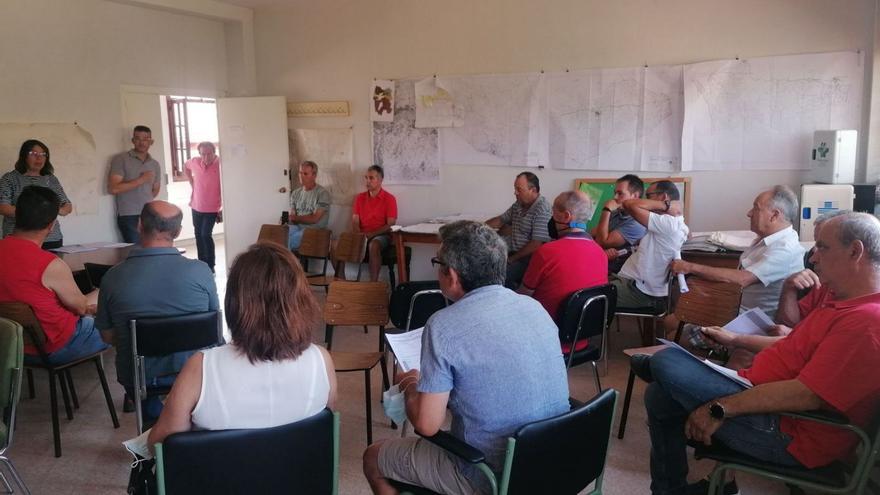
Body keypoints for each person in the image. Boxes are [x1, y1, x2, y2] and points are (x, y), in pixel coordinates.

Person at [637, 212, 880, 495]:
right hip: (765, 398)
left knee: (667, 362)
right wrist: (735, 339)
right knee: (661, 393)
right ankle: (672, 490)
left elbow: (807, 395)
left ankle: (659, 369)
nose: (813, 258)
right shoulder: (839, 300)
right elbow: (792, 347)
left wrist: (719, 409)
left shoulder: (867, 322)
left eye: (822, 247)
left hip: (789, 432)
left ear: (855, 251)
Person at [363, 221, 570, 495]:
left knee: (374, 457)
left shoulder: (443, 325)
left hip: (492, 474)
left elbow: (427, 424)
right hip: (555, 459)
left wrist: (409, 384)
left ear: (451, 274)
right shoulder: (535, 308)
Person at [148, 242, 337, 448]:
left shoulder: (201, 368)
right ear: (301, 301)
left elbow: (159, 444)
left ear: (234, 302)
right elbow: (326, 428)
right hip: (297, 478)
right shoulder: (321, 360)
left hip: (218, 479)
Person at [96, 201, 218, 419]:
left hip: (140, 376)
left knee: (152, 412)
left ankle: (153, 430)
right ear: (178, 231)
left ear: (139, 225)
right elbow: (213, 329)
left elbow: (107, 336)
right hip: (196, 374)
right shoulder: (201, 272)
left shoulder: (113, 277)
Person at [694, 211, 844, 369]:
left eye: (822, 247)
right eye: (815, 245)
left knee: (742, 354)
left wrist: (736, 339)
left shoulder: (786, 249)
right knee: (676, 336)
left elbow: (810, 346)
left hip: (795, 355)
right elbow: (789, 324)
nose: (813, 256)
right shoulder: (825, 284)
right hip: (775, 335)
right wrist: (789, 288)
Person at [0, 186, 107, 364]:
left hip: (9, 347)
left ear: (17, 216)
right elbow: (81, 308)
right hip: (52, 348)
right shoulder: (50, 264)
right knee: (123, 321)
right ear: (51, 225)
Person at [670, 186, 803, 320]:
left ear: (774, 215)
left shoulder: (785, 249)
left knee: (674, 326)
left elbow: (742, 279)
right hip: (734, 307)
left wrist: (690, 267)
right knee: (671, 320)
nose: (749, 213)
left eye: (756, 208)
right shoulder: (766, 239)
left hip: (751, 322)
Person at [519, 190, 608, 323]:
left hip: (546, 332)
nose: (551, 219)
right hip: (582, 332)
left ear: (566, 216)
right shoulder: (601, 253)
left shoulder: (546, 252)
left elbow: (524, 295)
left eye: (553, 213)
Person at [610, 180, 689, 310]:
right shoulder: (670, 223)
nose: (644, 201)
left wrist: (666, 205)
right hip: (632, 283)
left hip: (639, 291)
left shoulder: (668, 223)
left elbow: (629, 204)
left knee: (586, 297)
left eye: (648, 196)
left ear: (663, 197)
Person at [0, 139, 73, 250]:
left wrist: (51, 210)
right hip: (18, 239)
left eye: (43, 154)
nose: (39, 158)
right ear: (24, 156)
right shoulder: (10, 178)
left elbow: (67, 206)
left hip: (50, 239)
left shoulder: (51, 179)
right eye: (33, 154)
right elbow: (3, 207)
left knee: (53, 267)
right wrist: (39, 211)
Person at [486, 172, 552, 288]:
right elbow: (501, 220)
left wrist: (511, 259)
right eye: (515, 188)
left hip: (526, 259)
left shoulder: (542, 209)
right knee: (480, 261)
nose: (515, 193)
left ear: (533, 190)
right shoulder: (519, 204)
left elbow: (537, 244)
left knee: (494, 276)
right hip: (511, 250)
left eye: (519, 189)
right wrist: (480, 228)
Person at [341, 165, 397, 281]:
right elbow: (355, 221)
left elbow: (390, 225)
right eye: (366, 178)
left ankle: (373, 284)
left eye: (371, 178)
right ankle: (341, 280)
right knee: (336, 244)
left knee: (374, 245)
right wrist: (360, 234)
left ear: (380, 180)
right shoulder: (359, 198)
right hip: (362, 234)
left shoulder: (389, 199)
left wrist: (371, 235)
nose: (368, 181)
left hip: (382, 236)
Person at [108, 125, 162, 244]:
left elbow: (155, 189)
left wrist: (145, 201)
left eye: (145, 139)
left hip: (149, 213)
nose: (141, 142)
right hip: (129, 214)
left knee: (151, 248)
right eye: (137, 138)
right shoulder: (121, 159)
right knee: (135, 250)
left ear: (151, 141)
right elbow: (113, 188)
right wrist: (141, 180)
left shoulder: (154, 164)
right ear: (133, 141)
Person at [591, 174, 647, 272]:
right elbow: (593, 233)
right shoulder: (617, 212)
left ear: (635, 196)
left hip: (615, 272)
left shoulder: (637, 223)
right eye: (615, 193)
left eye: (620, 193)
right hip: (599, 262)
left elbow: (601, 242)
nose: (615, 197)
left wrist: (606, 210)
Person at [184, 141, 222, 273]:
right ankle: (202, 263)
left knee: (206, 234)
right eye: (203, 154)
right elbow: (186, 166)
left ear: (214, 152)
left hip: (212, 208)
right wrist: (191, 181)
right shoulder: (194, 162)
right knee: (198, 235)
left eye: (209, 153)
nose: (206, 157)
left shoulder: (221, 164)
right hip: (196, 205)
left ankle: (210, 265)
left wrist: (222, 208)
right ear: (199, 154)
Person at [287, 160, 331, 250]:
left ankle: (289, 262)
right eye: (300, 173)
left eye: (305, 174)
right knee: (276, 237)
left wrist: (294, 218)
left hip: (315, 231)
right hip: (297, 227)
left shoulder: (322, 193)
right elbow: (293, 217)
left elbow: (314, 219)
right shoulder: (295, 193)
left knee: (287, 242)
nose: (301, 176)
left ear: (314, 175)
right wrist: (287, 220)